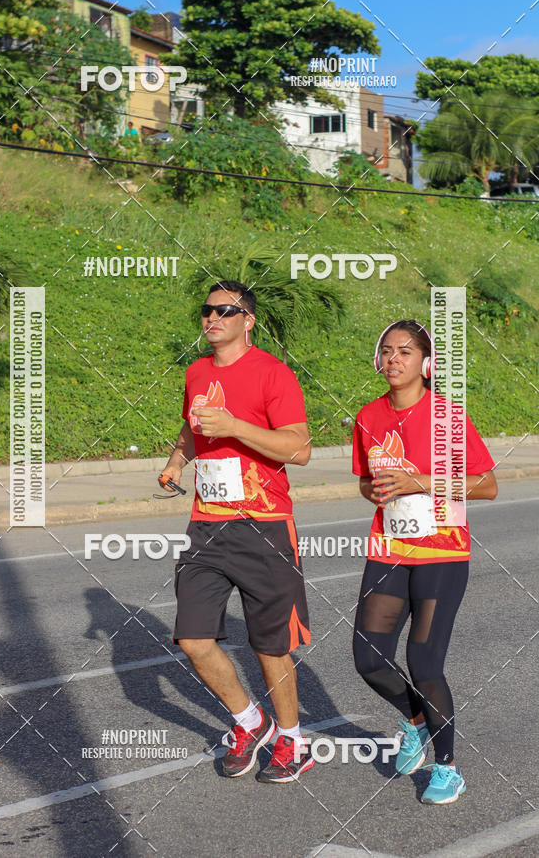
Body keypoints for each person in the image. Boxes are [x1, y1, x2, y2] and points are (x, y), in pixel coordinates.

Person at [158, 280, 315, 783]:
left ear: (248, 320)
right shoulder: (197, 371)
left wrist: (235, 427)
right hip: (208, 523)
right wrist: (177, 461)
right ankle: (251, 722)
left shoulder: (274, 373)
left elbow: (299, 449)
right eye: (206, 310)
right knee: (192, 637)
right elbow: (193, 426)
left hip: (265, 523)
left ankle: (293, 740)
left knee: (270, 645)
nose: (212, 318)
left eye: (225, 310)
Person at [351, 320, 497, 804]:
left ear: (425, 363)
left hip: (442, 551)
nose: (394, 360)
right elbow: (365, 484)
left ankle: (447, 766)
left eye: (406, 352)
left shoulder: (447, 417)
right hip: (390, 549)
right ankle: (415, 721)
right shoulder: (368, 416)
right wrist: (376, 489)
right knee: (369, 658)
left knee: (424, 662)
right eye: (387, 351)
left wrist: (423, 482)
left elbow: (487, 485)